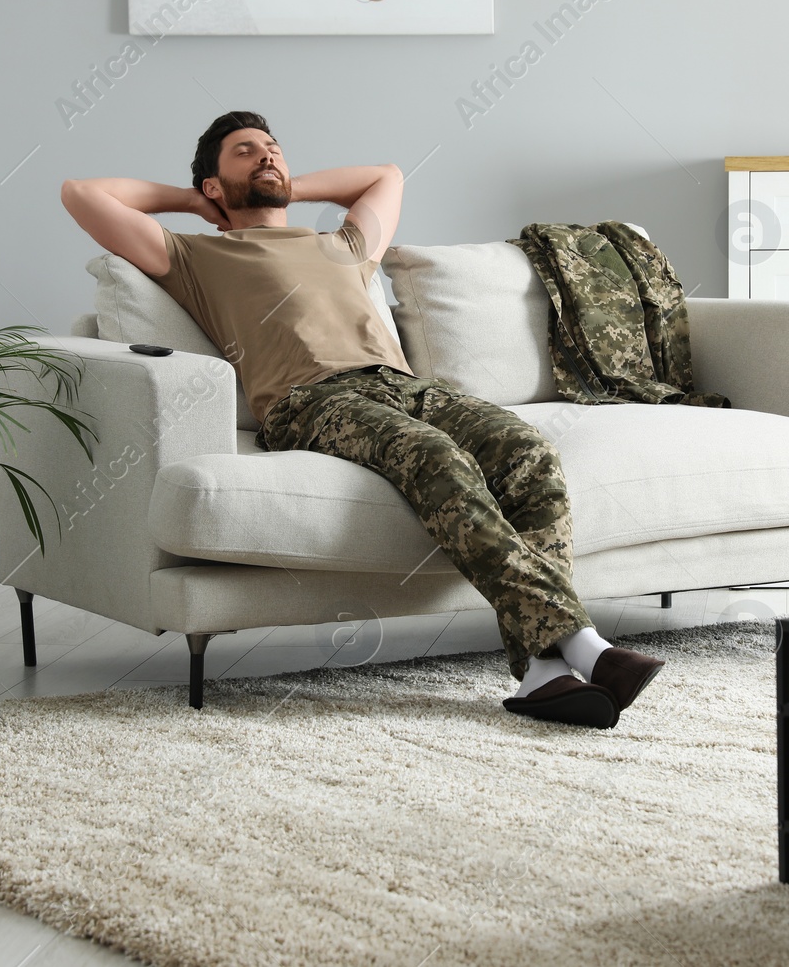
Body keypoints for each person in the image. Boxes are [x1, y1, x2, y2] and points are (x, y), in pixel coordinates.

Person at [58, 110, 665, 728]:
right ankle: (587, 645)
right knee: (434, 457)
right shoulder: (194, 255)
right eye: (245, 152)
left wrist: (290, 187)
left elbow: (386, 176)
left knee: (527, 451)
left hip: (402, 385)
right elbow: (80, 195)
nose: (267, 156)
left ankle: (543, 671)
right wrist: (193, 201)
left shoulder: (343, 245)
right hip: (310, 400)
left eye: (274, 148)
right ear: (214, 184)